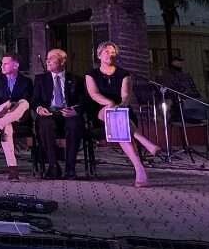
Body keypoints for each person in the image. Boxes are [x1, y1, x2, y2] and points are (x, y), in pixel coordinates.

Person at [86, 42, 161, 187]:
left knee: (118, 123)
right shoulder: (91, 74)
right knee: (113, 113)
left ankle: (139, 169)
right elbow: (94, 94)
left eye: (113, 52)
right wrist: (109, 103)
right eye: (107, 51)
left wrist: (119, 105)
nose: (110, 54)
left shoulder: (123, 74)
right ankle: (144, 144)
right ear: (99, 55)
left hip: (121, 111)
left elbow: (125, 95)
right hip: (99, 112)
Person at [33, 48, 84, 179]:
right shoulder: (40, 79)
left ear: (62, 61)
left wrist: (75, 110)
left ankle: (70, 168)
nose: (47, 61)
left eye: (52, 58)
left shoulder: (76, 79)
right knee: (45, 124)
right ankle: (53, 166)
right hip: (49, 112)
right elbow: (35, 100)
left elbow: (84, 101)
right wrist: (39, 108)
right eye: (47, 58)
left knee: (74, 125)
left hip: (68, 112)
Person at [0, 54, 33, 181]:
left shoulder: (26, 81)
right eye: (2, 63)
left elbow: (27, 102)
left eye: (5, 63)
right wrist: (6, 108)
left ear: (15, 65)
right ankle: (12, 168)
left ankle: (13, 169)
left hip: (17, 116)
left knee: (24, 103)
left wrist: (12, 107)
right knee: (6, 117)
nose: (2, 66)